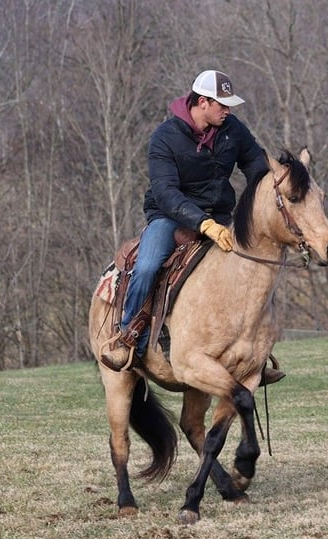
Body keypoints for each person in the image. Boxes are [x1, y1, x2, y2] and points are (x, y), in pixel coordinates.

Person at [100, 70, 284, 385]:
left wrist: (272, 188)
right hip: (169, 216)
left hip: (222, 214)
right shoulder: (165, 137)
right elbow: (166, 192)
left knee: (255, 269)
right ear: (202, 102)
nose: (228, 111)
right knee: (147, 267)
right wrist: (203, 223)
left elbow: (255, 165)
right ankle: (128, 336)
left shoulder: (232, 130)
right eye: (222, 105)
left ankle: (252, 353)